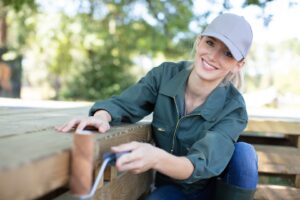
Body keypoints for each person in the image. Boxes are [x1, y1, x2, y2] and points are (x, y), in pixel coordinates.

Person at [57, 13, 258, 200]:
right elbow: (125, 103)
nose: (213, 56)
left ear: (239, 64)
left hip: (214, 191)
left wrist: (156, 158)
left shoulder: (234, 108)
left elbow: (200, 165)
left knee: (244, 154)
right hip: (173, 188)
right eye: (210, 43)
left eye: (227, 53)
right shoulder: (165, 75)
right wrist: (100, 117)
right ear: (199, 41)